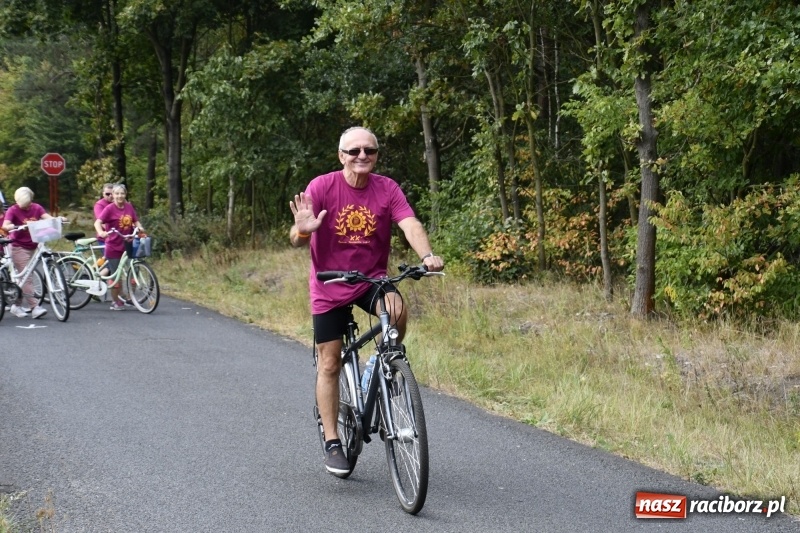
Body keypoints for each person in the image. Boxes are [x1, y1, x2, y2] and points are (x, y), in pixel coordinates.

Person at [289, 126, 444, 475]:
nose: (362, 156)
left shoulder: (386, 188)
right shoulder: (322, 186)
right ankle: (332, 442)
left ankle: (378, 363)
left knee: (397, 310)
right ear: (342, 155)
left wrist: (428, 255)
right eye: (355, 151)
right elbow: (296, 238)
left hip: (369, 280)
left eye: (369, 151)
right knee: (330, 363)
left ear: (376, 155)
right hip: (329, 284)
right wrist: (302, 229)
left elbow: (410, 224)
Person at [1, 187, 60, 318]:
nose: (27, 208)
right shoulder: (13, 210)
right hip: (18, 247)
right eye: (24, 205)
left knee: (24, 278)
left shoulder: (36, 208)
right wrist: (13, 226)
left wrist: (57, 220)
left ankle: (16, 305)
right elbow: (6, 225)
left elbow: (48, 218)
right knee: (26, 277)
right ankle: (34, 307)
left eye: (28, 204)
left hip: (34, 245)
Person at [94, 183, 145, 311]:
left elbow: (135, 220)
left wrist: (139, 227)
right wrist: (101, 232)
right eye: (117, 193)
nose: (120, 196)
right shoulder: (109, 209)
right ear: (113, 195)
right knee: (115, 277)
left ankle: (130, 297)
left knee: (134, 271)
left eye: (122, 193)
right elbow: (98, 222)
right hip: (113, 245)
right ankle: (116, 301)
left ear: (125, 194)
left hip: (128, 244)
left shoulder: (129, 207)